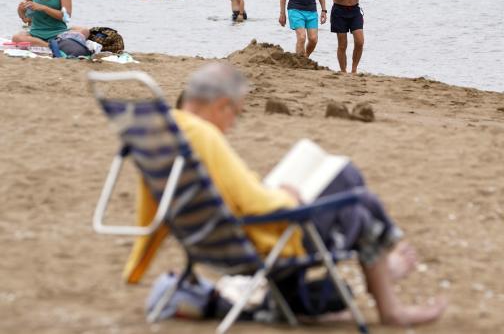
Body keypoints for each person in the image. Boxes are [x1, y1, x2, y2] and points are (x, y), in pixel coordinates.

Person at [123, 63, 447, 326]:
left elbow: (156, 209)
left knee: (354, 198)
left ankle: (381, 287)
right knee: (352, 189)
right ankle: (388, 298)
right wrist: (288, 197)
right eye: (236, 113)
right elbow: (254, 204)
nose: (233, 124)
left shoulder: (163, 135)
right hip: (266, 243)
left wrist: (139, 262)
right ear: (221, 105)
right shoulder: (203, 136)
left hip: (212, 245)